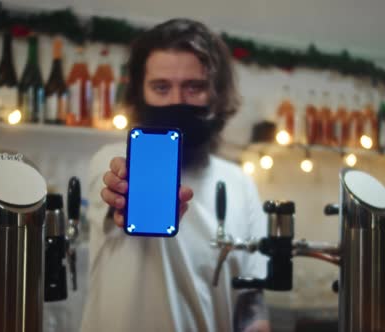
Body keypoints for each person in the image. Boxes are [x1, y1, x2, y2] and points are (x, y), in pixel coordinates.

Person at [80, 18, 270, 332]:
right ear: (140, 93)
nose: (176, 101)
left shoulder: (240, 183)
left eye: (193, 87)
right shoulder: (111, 162)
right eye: (161, 87)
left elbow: (251, 296)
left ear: (217, 94)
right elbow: (117, 197)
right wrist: (124, 200)